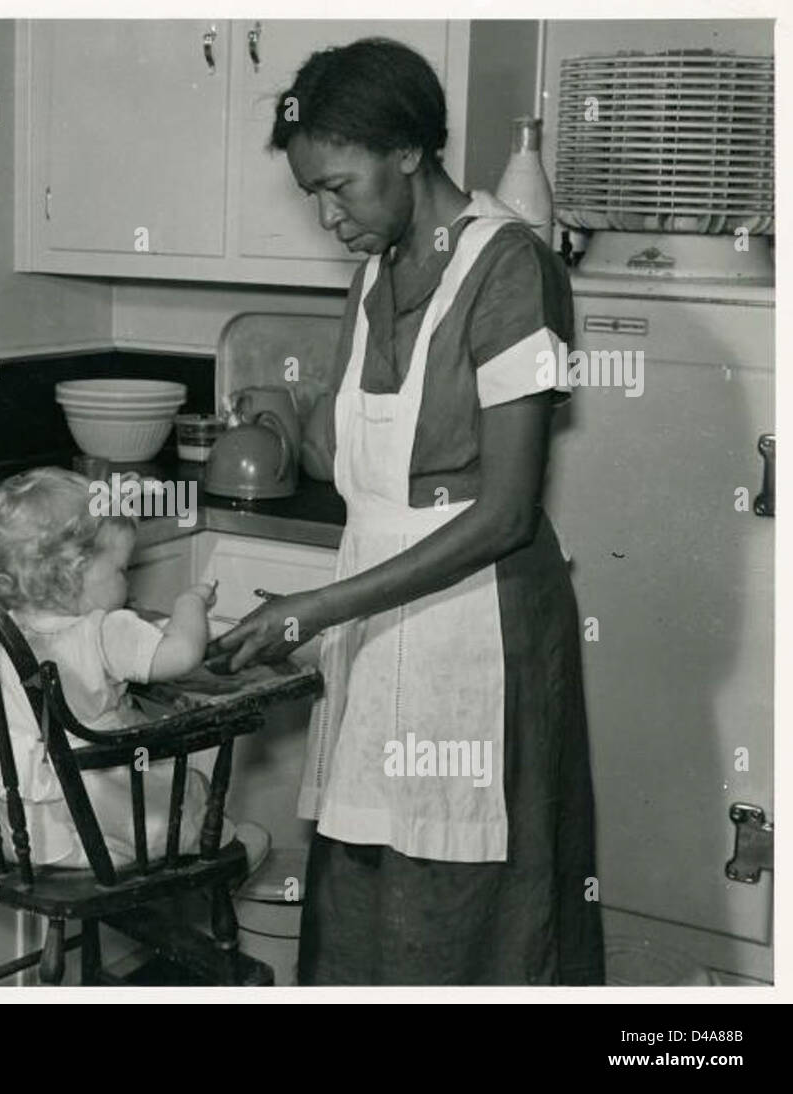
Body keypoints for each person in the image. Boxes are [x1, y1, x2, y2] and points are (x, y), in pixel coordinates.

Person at [214, 38, 604, 985]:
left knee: (467, 895)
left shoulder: (513, 269)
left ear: (408, 153)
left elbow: (507, 511)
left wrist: (312, 612)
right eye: (312, 191)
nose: (326, 213)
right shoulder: (373, 276)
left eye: (338, 186)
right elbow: (372, 467)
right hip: (379, 623)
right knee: (365, 880)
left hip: (483, 629)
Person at [0, 467, 265, 870]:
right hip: (106, 818)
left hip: (21, 835)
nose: (126, 582)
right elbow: (182, 654)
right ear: (73, 573)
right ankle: (217, 856)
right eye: (121, 570)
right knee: (189, 792)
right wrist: (191, 604)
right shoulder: (104, 631)